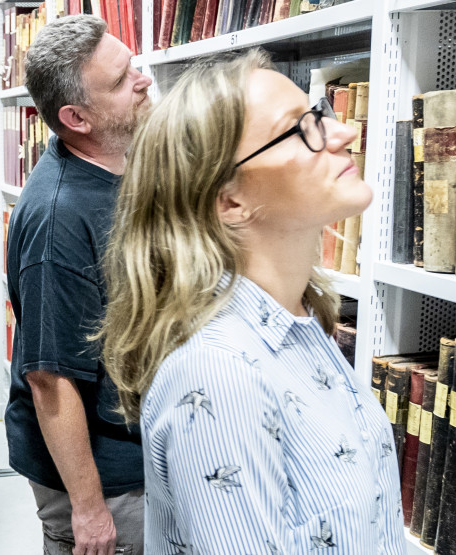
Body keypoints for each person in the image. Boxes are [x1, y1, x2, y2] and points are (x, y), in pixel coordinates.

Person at [98, 51, 402, 553]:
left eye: (321, 113)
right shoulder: (220, 373)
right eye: (301, 129)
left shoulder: (297, 325)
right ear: (229, 201)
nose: (343, 133)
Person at [3, 14, 153, 555]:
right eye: (121, 80)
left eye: (132, 66)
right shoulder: (58, 219)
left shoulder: (120, 164)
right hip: (104, 480)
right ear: (76, 117)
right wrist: (88, 509)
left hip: (136, 454)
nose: (143, 80)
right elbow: (49, 379)